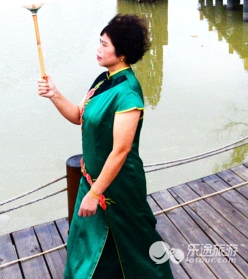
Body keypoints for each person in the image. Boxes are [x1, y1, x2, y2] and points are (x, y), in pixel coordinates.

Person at [38, 14, 174, 279]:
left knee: (134, 239)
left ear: (121, 54)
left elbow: (121, 151)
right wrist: (54, 94)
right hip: (92, 179)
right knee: (88, 239)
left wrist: (95, 193)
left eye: (104, 45)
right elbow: (79, 115)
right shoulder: (103, 80)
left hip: (118, 184)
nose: (98, 49)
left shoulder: (127, 94)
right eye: (99, 42)